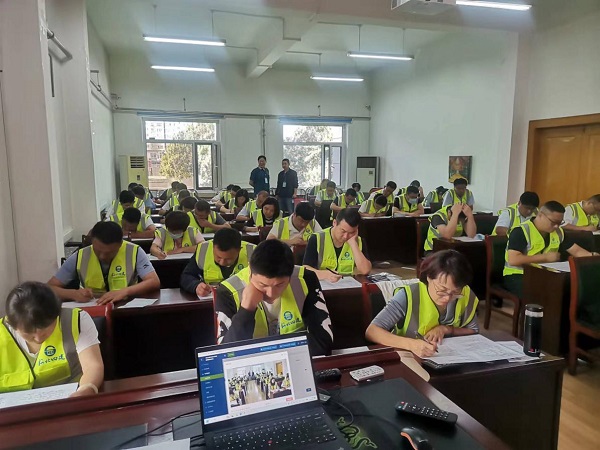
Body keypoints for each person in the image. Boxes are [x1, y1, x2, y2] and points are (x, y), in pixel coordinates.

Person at [215, 239, 333, 356]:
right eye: (262, 285)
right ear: (250, 270)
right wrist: (246, 310)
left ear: (291, 274)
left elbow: (322, 343)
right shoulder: (228, 291)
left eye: (279, 285)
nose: (271, 293)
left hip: (295, 361)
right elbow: (226, 354)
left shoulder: (305, 279)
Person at [365, 250, 479, 357]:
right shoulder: (409, 296)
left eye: (455, 292)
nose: (447, 298)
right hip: (408, 357)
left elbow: (473, 330)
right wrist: (411, 344)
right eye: (442, 290)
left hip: (449, 357)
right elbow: (372, 331)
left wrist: (446, 329)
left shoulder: (465, 294)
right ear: (429, 277)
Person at [0, 282, 104, 395]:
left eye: (45, 330)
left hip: (70, 401)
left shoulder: (75, 320)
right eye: (29, 333)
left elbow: (92, 367)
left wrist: (86, 389)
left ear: (57, 314)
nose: (38, 338)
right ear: (11, 325)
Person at [48, 221, 160, 304]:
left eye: (108, 253)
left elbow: (153, 281)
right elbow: (50, 288)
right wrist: (73, 294)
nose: (102, 256)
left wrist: (125, 292)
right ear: (92, 241)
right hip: (91, 311)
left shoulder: (134, 251)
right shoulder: (80, 256)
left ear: (120, 244)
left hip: (125, 307)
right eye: (98, 250)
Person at [504, 201, 597, 298]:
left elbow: (577, 251)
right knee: (549, 291)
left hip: (545, 274)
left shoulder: (558, 232)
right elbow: (513, 260)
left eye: (559, 223)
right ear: (540, 215)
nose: (556, 226)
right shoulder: (521, 231)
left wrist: (593, 256)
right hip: (518, 275)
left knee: (576, 286)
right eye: (553, 222)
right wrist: (544, 258)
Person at [180, 228, 256, 297]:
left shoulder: (253, 253)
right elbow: (186, 276)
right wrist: (196, 285)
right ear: (213, 247)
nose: (222, 262)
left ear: (239, 250)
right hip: (210, 300)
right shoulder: (203, 250)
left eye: (228, 259)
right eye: (218, 257)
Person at [303, 208, 372, 282]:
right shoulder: (317, 238)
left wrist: (353, 244)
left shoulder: (358, 241)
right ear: (334, 223)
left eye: (351, 232)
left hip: (348, 285)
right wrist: (325, 275)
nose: (346, 236)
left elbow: (365, 270)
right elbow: (306, 268)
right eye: (343, 231)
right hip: (323, 284)